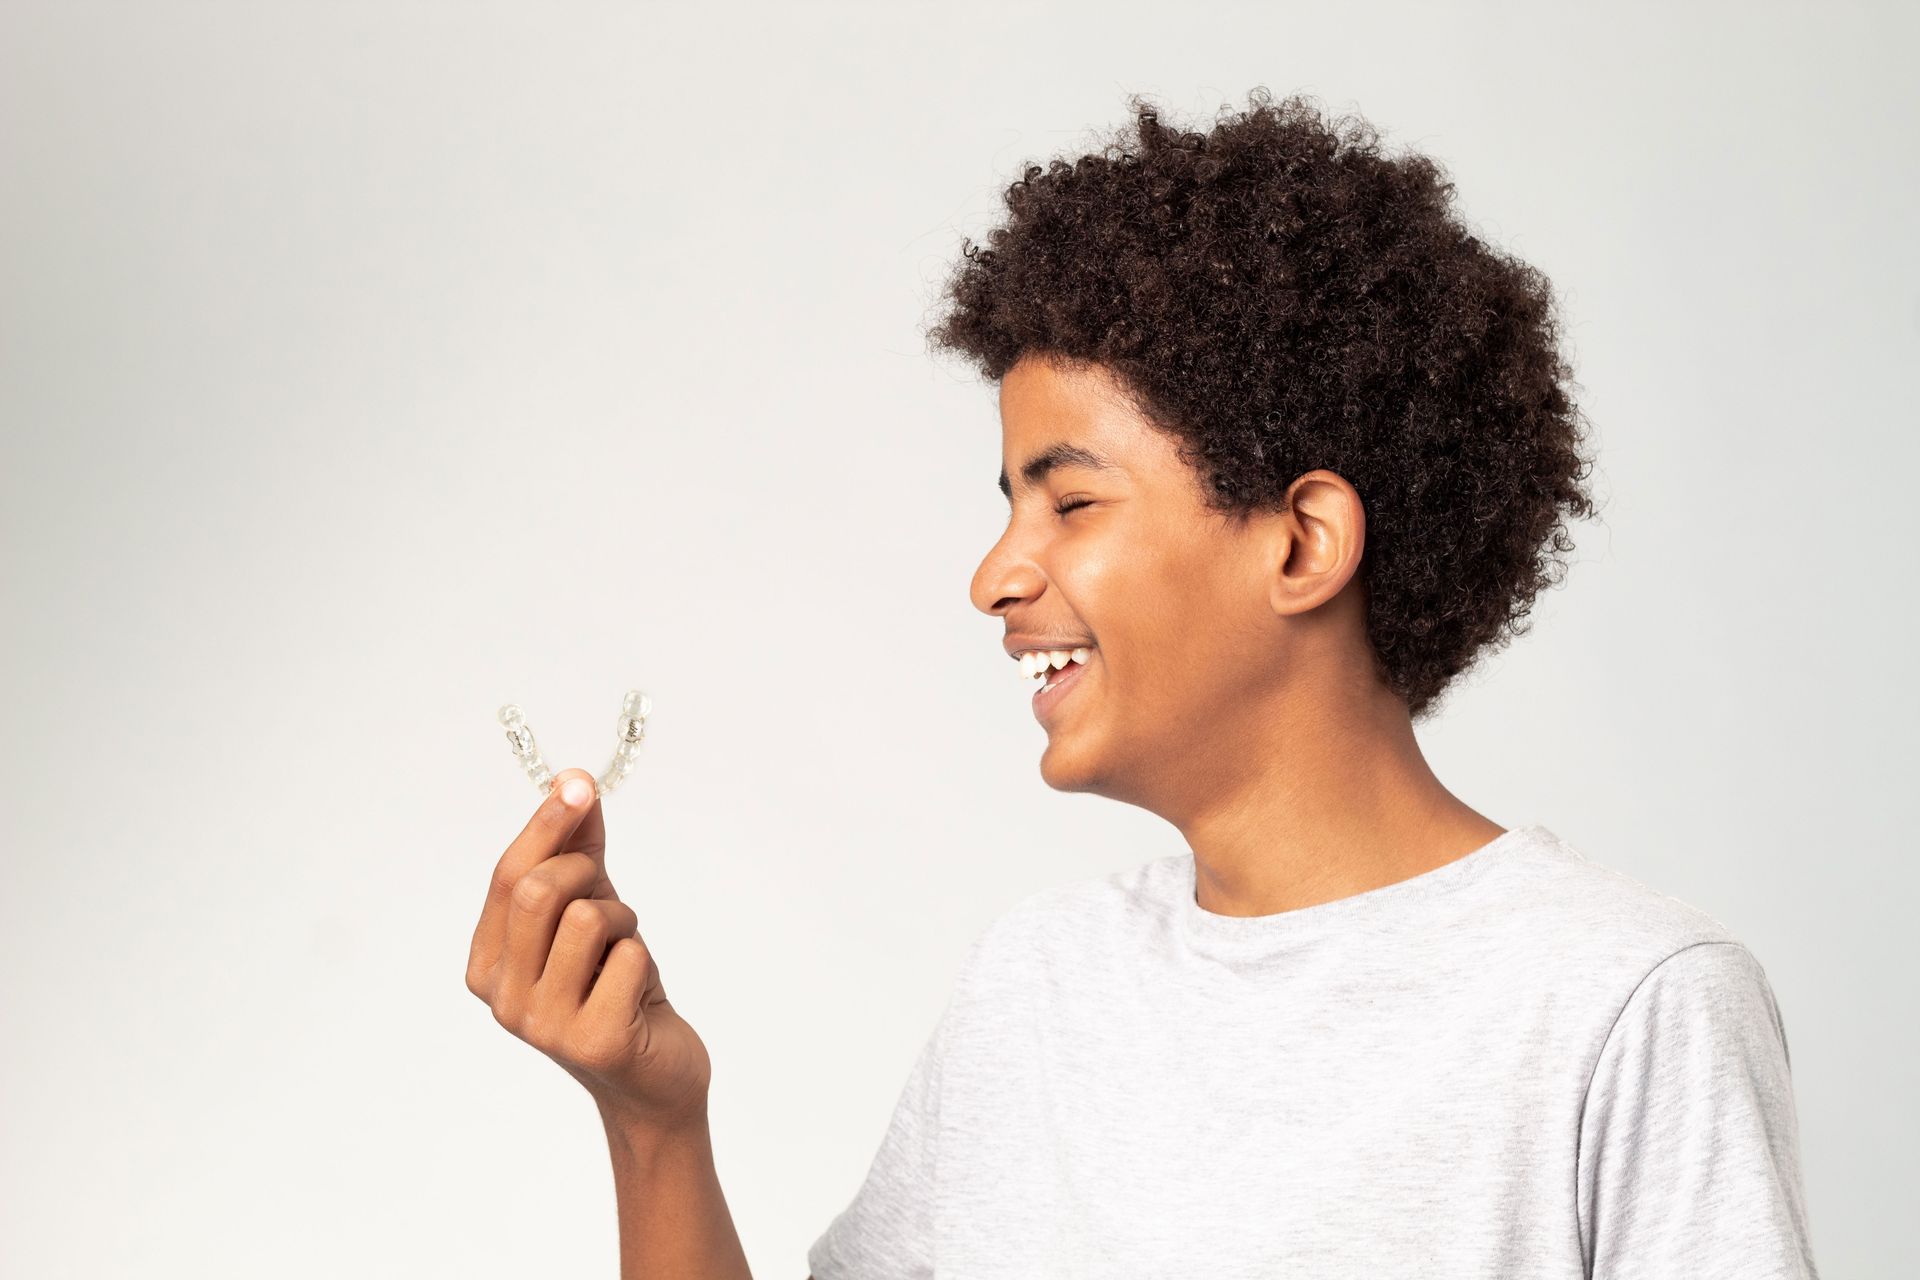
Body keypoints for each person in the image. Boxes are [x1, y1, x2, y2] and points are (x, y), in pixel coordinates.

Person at [464, 89, 1818, 1278]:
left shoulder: (1623, 1005)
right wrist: (651, 1127)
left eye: (1070, 503)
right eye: (1009, 506)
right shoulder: (1033, 993)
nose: (995, 575)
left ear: (1301, 542)